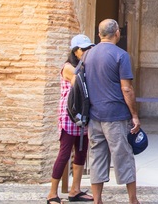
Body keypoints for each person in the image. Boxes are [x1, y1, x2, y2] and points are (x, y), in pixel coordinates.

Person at [85, 19, 141, 204]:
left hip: (94, 114)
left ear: (99, 34)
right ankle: (133, 200)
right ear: (117, 32)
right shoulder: (121, 55)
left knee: (96, 156)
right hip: (115, 115)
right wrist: (134, 115)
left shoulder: (88, 55)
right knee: (123, 155)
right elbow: (126, 88)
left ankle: (97, 200)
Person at [46, 34, 95, 204]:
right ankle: (52, 193)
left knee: (81, 152)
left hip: (83, 113)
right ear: (76, 51)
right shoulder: (68, 67)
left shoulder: (85, 65)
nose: (88, 51)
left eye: (90, 48)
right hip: (70, 114)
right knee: (65, 153)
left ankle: (75, 190)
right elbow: (81, 84)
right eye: (85, 49)